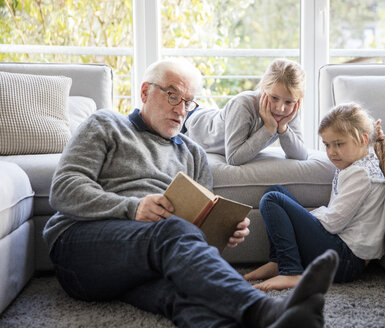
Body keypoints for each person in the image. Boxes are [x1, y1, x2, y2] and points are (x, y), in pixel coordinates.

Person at [43, 58, 340, 328]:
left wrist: (224, 232)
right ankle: (266, 310)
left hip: (146, 262)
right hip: (81, 250)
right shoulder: (106, 124)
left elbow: (194, 240)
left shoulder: (194, 155)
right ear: (145, 92)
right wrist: (132, 208)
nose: (180, 109)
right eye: (172, 95)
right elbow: (64, 190)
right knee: (171, 231)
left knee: (185, 295)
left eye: (188, 102)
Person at [244, 102, 385, 291]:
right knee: (275, 190)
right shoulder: (354, 166)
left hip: (346, 261)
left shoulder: (360, 174)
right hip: (341, 255)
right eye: (327, 145)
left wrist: (303, 218)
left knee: (273, 200)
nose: (331, 152)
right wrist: (299, 218)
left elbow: (334, 222)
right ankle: (279, 261)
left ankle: (291, 271)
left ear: (362, 140)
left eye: (339, 144)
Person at [184, 58, 308, 165]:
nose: (280, 108)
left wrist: (283, 128)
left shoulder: (290, 111)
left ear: (298, 100)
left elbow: (301, 156)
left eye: (288, 102)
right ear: (263, 88)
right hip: (189, 122)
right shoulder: (243, 104)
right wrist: (269, 128)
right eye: (274, 98)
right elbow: (233, 158)